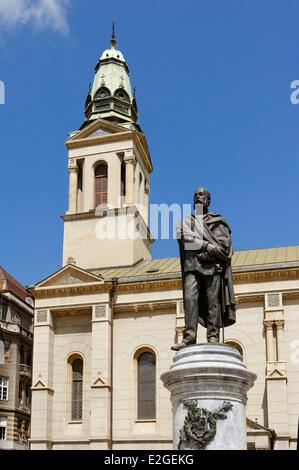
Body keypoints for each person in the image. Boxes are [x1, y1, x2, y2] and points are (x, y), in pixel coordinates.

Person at [171, 188, 236, 350]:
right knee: (190, 299)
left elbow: (225, 247)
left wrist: (211, 253)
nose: (198, 197)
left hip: (213, 267)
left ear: (208, 201)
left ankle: (213, 336)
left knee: (213, 302)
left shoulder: (218, 222)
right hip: (191, 266)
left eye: (202, 195)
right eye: (196, 195)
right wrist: (208, 247)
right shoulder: (187, 221)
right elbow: (186, 239)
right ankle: (189, 337)